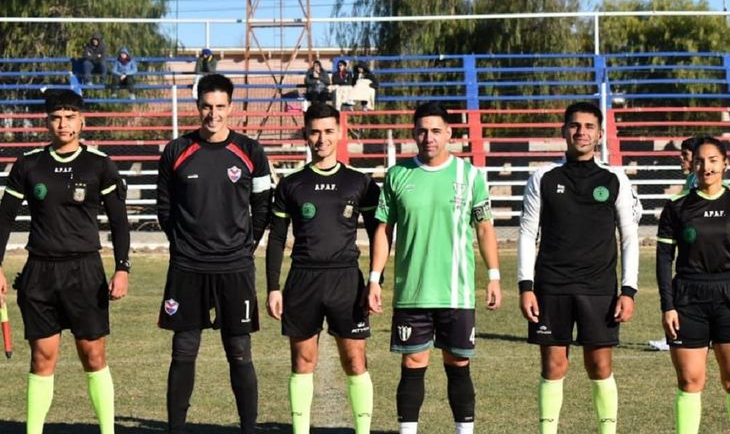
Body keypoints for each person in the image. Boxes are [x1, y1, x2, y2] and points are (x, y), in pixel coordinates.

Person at [0, 89, 130, 434]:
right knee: (42, 359)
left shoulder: (99, 164)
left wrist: (122, 268)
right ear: (47, 121)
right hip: (39, 273)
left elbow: (119, 221)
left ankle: (107, 430)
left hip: (85, 272)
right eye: (57, 117)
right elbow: (4, 219)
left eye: (70, 117)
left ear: (82, 120)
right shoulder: (28, 164)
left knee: (94, 357)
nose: (64, 124)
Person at [368, 102, 502, 434]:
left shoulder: (469, 176)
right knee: (412, 363)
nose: (429, 137)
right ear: (414, 133)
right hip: (412, 291)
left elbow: (484, 228)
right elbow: (383, 231)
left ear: (449, 134)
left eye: (436, 131)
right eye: (422, 131)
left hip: (456, 291)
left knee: (458, 363)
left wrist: (494, 276)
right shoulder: (398, 175)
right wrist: (374, 278)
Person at [156, 74, 272, 434]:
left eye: (220, 106)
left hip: (234, 267)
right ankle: (176, 428)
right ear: (198, 107)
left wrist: (243, 246)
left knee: (239, 351)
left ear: (230, 107)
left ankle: (248, 428)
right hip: (188, 266)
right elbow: (165, 208)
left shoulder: (251, 151)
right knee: (183, 350)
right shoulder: (176, 151)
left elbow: (263, 207)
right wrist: (183, 244)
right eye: (207, 106)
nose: (213, 113)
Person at [518, 101, 641, 434]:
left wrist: (628, 290)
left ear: (600, 134)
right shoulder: (543, 177)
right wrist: (525, 286)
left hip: (599, 288)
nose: (581, 132)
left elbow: (629, 237)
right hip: (551, 287)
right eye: (575, 125)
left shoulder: (614, 178)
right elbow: (529, 233)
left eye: (588, 126)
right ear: (564, 131)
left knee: (600, 366)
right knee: (553, 366)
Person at [266, 102, 380, 433]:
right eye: (315, 131)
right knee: (303, 362)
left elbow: (379, 235)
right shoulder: (291, 184)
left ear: (339, 133)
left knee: (355, 361)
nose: (322, 138)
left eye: (329, 131)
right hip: (303, 281)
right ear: (306, 134)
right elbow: (276, 239)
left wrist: (376, 280)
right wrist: (274, 286)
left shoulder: (360, 182)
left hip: (347, 281)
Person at [656, 136, 730, 434]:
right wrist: (668, 306)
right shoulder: (676, 207)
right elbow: (664, 260)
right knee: (690, 381)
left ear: (725, 164)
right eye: (700, 161)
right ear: (692, 165)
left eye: (713, 160)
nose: (706, 166)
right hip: (688, 298)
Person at [649, 136, 700, 351]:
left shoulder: (698, 181)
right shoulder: (691, 180)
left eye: (685, 155)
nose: (681, 159)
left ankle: (674, 336)